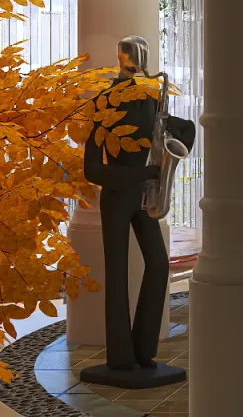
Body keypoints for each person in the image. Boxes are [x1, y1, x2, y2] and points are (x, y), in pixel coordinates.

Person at [83, 36, 195, 372]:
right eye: (134, 57)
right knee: (116, 276)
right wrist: (137, 173)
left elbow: (182, 131)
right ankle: (120, 357)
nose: (139, 64)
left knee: (160, 265)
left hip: (146, 196)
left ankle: (144, 350)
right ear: (122, 58)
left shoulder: (150, 98)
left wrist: (177, 138)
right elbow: (92, 169)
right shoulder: (104, 103)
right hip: (118, 196)